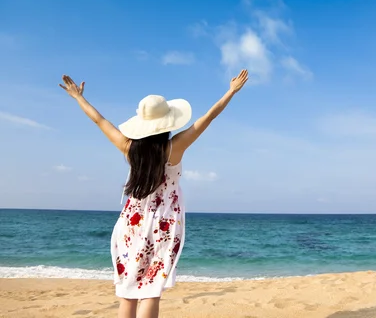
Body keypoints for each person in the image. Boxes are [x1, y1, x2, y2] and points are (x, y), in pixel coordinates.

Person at [59, 69, 249, 318]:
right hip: (163, 224)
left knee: (127, 290)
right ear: (167, 123)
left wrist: (79, 98)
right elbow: (208, 117)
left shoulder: (128, 148)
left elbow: (100, 121)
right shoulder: (175, 147)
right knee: (151, 290)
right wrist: (231, 91)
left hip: (130, 224)